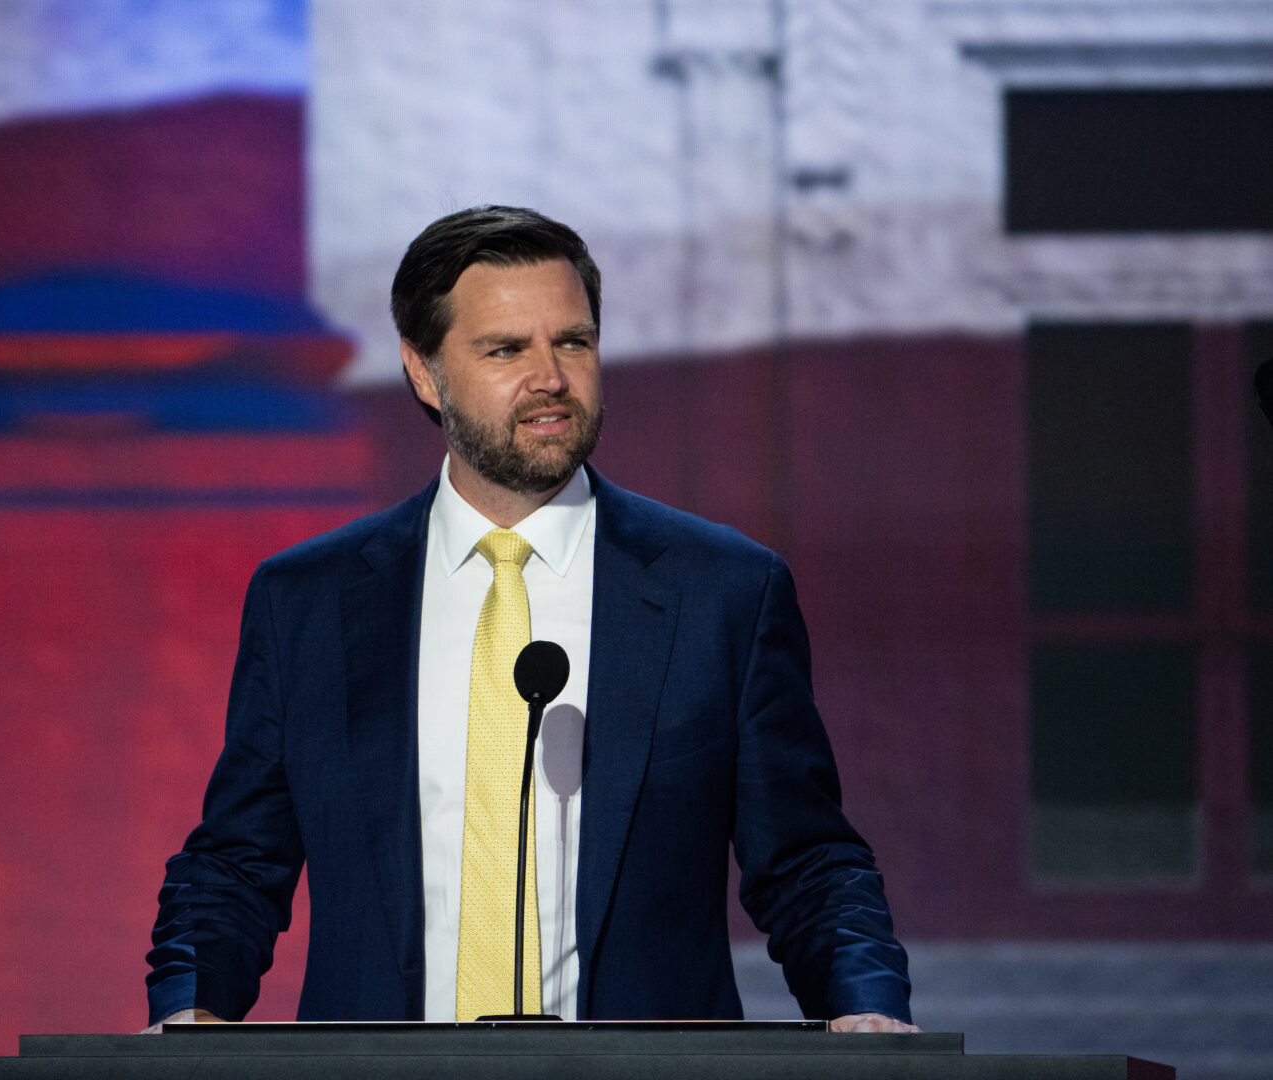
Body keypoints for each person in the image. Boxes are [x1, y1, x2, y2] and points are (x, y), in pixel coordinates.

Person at [145, 206, 915, 1032]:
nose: (551, 376)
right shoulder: (310, 601)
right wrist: (190, 1015)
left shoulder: (723, 593)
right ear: (424, 372)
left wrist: (866, 1015)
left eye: (573, 342)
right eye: (507, 349)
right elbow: (235, 862)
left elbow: (806, 861)